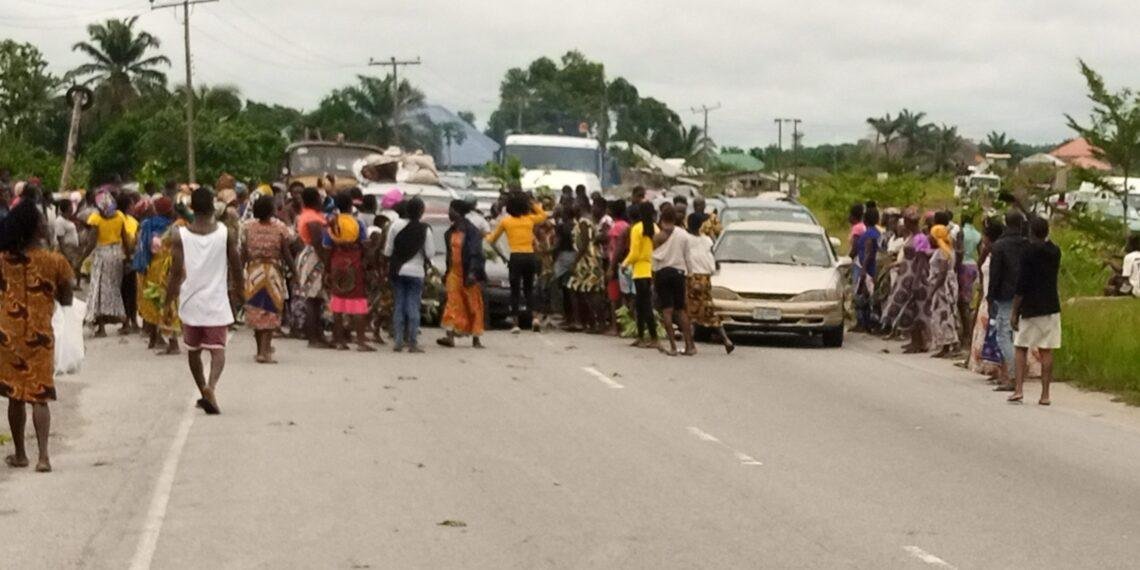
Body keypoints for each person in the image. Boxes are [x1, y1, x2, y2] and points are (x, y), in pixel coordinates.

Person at [0, 200, 75, 472]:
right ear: (35, 228)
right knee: (40, 395)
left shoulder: (4, 259)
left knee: (15, 395)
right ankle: (43, 456)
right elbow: (67, 298)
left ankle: (20, 453)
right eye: (42, 221)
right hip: (40, 333)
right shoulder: (55, 261)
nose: (45, 224)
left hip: (7, 333)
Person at [167, 188, 242, 415]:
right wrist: (241, 292)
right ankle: (211, 386)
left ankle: (203, 390)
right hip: (217, 301)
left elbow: (175, 273)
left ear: (192, 207)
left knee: (193, 351)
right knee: (218, 350)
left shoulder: (180, 235)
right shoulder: (225, 233)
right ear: (212, 207)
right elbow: (237, 267)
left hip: (190, 302)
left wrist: (167, 300)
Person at [1010, 217, 1062, 405]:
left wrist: (1015, 311)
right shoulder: (1055, 252)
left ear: (1031, 232)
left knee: (1021, 346)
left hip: (1030, 306)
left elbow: (1021, 283)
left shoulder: (1027, 252)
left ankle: (1019, 390)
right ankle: (1045, 394)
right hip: (1050, 304)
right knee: (1046, 349)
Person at [242, 195, 295, 363]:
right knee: (271, 310)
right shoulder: (280, 228)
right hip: (272, 272)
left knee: (257, 309)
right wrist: (295, 272)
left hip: (254, 272)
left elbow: (243, 252)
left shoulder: (247, 227)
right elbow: (286, 253)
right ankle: (266, 351)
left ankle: (259, 351)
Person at [487, 192, 547, 333]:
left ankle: (515, 323)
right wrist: (531, 202)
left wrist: (502, 256)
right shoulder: (529, 220)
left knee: (514, 291)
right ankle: (535, 318)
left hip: (515, 256)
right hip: (530, 256)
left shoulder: (506, 222)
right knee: (528, 289)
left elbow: (491, 240)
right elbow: (543, 215)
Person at [324, 193, 373, 352]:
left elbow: (327, 247)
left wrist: (327, 268)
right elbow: (364, 244)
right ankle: (360, 341)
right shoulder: (357, 222)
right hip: (354, 262)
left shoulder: (332, 223)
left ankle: (339, 341)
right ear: (351, 205)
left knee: (338, 301)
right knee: (358, 300)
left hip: (337, 262)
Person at [384, 197, 433, 353]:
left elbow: (388, 251)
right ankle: (412, 342)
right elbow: (430, 253)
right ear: (421, 212)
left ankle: (398, 341)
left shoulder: (395, 226)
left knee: (399, 304)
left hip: (398, 270)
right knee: (413, 306)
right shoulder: (425, 229)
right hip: (416, 271)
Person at [987, 211, 1029, 392]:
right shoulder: (1027, 244)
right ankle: (1011, 373)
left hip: (1005, 295)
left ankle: (1013, 375)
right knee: (1017, 335)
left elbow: (995, 274)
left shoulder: (999, 246)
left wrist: (990, 297)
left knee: (1003, 335)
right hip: (1024, 294)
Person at [439, 200, 487, 348]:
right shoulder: (450, 232)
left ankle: (476, 338)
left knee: (473, 305)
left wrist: (473, 272)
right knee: (452, 303)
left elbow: (476, 253)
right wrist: (447, 272)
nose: (448, 213)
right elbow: (449, 254)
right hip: (454, 272)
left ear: (457, 212)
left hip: (468, 272)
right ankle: (450, 336)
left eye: (450, 210)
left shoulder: (471, 231)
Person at [83, 190, 131, 337]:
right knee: (114, 289)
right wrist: (128, 257)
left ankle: (102, 328)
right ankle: (124, 322)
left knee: (99, 290)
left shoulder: (96, 219)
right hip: (117, 254)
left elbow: (92, 242)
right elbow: (125, 239)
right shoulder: (120, 216)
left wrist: (82, 257)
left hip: (102, 255)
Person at [652, 203, 695, 356]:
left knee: (667, 310)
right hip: (678, 273)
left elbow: (654, 260)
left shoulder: (658, 237)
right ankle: (690, 346)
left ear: (662, 218)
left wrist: (653, 277)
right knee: (681, 309)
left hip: (662, 273)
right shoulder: (683, 235)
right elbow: (688, 257)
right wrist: (690, 274)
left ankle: (673, 347)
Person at [686, 219, 734, 354]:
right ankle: (726, 340)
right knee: (708, 309)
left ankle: (689, 344)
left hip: (692, 277)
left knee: (688, 311)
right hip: (706, 278)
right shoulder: (707, 240)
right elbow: (711, 257)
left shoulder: (687, 239)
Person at [134, 197, 176, 349]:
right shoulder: (172, 226)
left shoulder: (147, 225)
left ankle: (153, 336)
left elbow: (140, 245)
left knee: (150, 300)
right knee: (165, 301)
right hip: (165, 267)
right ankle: (166, 338)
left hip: (148, 267)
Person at [295, 187, 330, 348]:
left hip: (310, 254)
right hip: (314, 257)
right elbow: (317, 242)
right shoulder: (312, 218)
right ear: (316, 199)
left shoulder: (309, 215)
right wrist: (326, 262)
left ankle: (317, 335)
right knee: (313, 298)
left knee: (316, 299)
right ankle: (313, 338)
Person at [623, 202, 659, 349]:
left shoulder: (636, 229)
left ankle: (650, 337)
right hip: (652, 268)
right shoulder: (655, 228)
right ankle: (642, 336)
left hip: (640, 270)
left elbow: (635, 253)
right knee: (643, 304)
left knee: (643, 305)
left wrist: (624, 263)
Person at [567, 202, 605, 332]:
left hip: (587, 261)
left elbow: (584, 244)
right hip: (590, 259)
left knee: (591, 292)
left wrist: (574, 262)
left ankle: (596, 323)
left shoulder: (584, 221)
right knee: (583, 290)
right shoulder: (589, 220)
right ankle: (592, 323)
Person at [927, 222, 960, 358]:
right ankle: (948, 344)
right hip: (948, 285)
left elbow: (942, 274)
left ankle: (948, 344)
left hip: (942, 288)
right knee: (947, 313)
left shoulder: (942, 252)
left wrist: (932, 290)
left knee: (943, 315)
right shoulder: (948, 249)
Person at [853, 207, 882, 333]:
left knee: (864, 295)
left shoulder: (870, 234)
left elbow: (869, 252)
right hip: (871, 266)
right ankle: (866, 323)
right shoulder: (877, 232)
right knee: (867, 295)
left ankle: (865, 323)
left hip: (867, 267)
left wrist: (863, 270)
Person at [957, 212, 982, 346]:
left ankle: (967, 334)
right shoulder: (978, 234)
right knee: (968, 299)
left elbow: (959, 251)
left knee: (963, 302)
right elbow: (980, 252)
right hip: (973, 265)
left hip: (963, 265)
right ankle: (968, 332)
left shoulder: (961, 233)